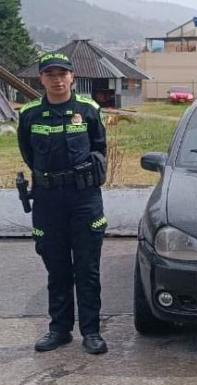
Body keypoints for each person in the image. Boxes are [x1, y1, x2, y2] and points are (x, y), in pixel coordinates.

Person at [17, 53, 108, 354]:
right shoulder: (30, 114)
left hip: (84, 199)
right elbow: (28, 153)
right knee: (56, 268)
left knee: (87, 268)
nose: (57, 80)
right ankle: (59, 330)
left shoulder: (88, 110)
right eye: (50, 74)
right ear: (41, 79)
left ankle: (91, 332)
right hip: (48, 200)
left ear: (72, 77)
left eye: (62, 74)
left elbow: (99, 148)